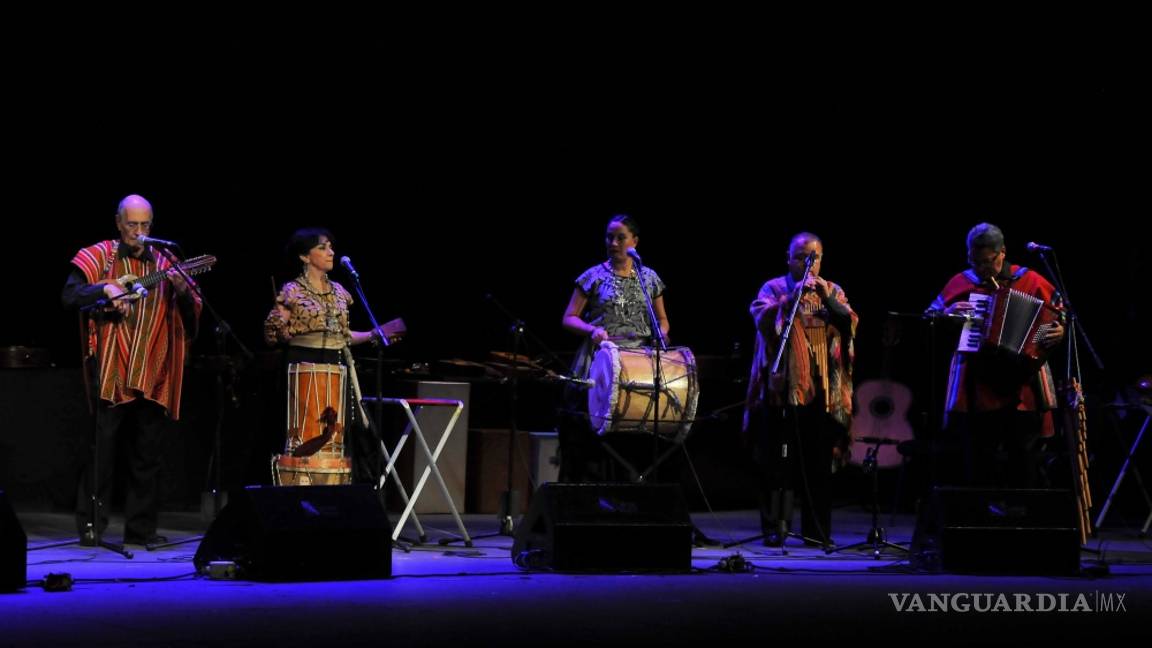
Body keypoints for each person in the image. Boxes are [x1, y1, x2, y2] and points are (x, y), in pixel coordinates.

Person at [61, 194, 202, 547]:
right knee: (102, 451)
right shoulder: (100, 254)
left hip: (154, 370)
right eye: (131, 224)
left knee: (147, 454)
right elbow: (70, 295)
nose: (138, 232)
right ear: (118, 222)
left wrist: (184, 293)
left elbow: (192, 312)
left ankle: (141, 530)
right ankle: (92, 528)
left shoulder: (167, 260)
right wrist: (105, 287)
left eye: (145, 225)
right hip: (112, 368)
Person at [926, 222, 1064, 488]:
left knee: (1023, 459)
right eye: (974, 261)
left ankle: (1021, 516)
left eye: (987, 262)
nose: (980, 268)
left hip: (1023, 387)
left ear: (1002, 253)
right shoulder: (962, 282)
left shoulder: (1030, 280)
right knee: (979, 460)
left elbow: (1058, 313)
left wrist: (1058, 332)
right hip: (977, 387)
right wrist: (950, 312)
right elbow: (930, 315)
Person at [743, 232, 856, 547]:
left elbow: (849, 324)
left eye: (815, 257)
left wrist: (828, 300)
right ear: (789, 258)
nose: (810, 263)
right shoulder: (773, 288)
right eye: (802, 257)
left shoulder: (833, 290)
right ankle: (774, 529)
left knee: (818, 465)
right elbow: (762, 319)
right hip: (783, 390)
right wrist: (791, 297)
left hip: (821, 393)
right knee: (776, 464)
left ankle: (816, 531)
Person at [263, 228, 386, 489]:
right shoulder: (292, 290)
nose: (331, 252)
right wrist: (278, 327)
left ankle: (337, 486)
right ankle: (297, 482)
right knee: (306, 431)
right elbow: (274, 334)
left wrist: (374, 334)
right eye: (323, 247)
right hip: (303, 362)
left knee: (338, 434)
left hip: (336, 363)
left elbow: (343, 336)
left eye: (331, 246)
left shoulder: (341, 291)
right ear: (305, 256)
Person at [559, 214, 669, 482]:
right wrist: (592, 330)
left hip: (638, 364)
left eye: (621, 237)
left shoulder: (649, 278)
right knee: (587, 429)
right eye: (609, 237)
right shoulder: (592, 276)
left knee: (632, 433)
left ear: (635, 242)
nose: (614, 243)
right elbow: (568, 317)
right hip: (601, 359)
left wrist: (661, 334)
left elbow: (663, 320)